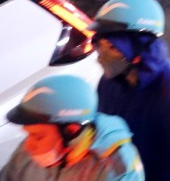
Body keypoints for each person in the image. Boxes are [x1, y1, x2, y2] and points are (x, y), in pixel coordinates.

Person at [91, 0, 170, 181]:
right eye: (100, 46)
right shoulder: (110, 82)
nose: (101, 57)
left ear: (139, 47)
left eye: (112, 47)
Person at [3, 74, 144, 181]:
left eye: (38, 137)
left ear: (71, 131)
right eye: (28, 134)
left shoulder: (116, 169)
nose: (27, 146)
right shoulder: (29, 152)